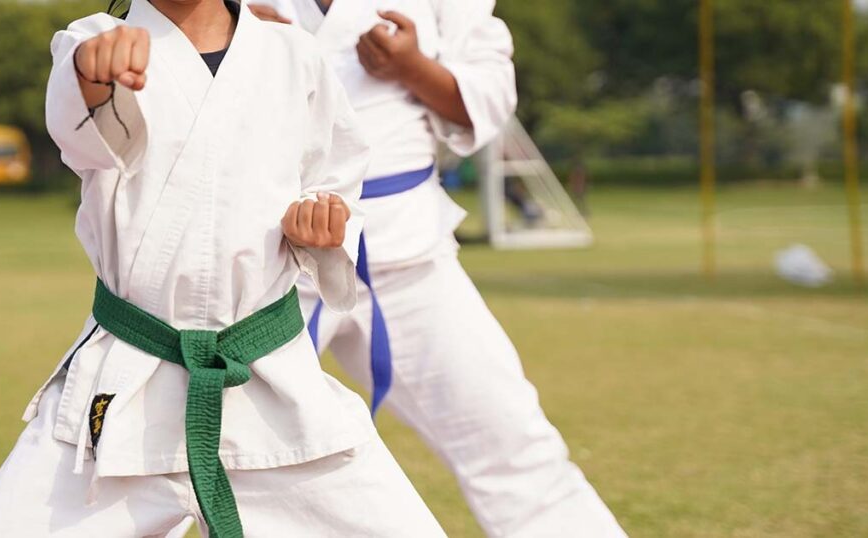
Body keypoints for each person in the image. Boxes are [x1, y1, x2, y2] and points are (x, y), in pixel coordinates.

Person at [0, 0, 445, 536]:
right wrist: (93, 74)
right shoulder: (91, 40)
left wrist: (322, 227)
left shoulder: (293, 55)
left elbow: (334, 178)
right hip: (125, 387)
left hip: (270, 385)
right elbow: (83, 132)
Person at [243, 1, 627, 536]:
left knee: (511, 443)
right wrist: (228, 52)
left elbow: (488, 100)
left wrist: (412, 67)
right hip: (260, 261)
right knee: (170, 446)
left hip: (407, 253)